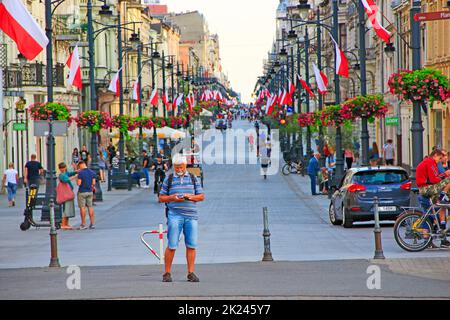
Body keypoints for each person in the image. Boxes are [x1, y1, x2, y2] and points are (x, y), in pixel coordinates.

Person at [159, 154, 205, 283]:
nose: (178, 169)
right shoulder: (168, 179)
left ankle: (191, 273)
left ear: (185, 166)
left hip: (191, 216)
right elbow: (161, 198)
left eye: (181, 167)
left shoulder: (192, 177)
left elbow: (201, 196)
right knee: (172, 245)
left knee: (191, 245)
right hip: (174, 215)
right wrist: (172, 198)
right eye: (176, 167)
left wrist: (189, 197)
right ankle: (167, 273)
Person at [416, 149, 450, 248]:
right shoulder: (430, 162)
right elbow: (434, 179)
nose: (439, 161)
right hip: (427, 188)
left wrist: (443, 176)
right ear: (435, 155)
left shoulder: (427, 162)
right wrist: (445, 176)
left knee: (434, 211)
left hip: (425, 188)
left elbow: (435, 177)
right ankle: (443, 195)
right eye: (439, 158)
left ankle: (436, 237)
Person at [57, 162, 77, 230]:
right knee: (66, 209)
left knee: (68, 209)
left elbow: (70, 173)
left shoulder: (65, 173)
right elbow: (66, 180)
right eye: (61, 168)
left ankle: (66, 223)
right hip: (66, 194)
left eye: (63, 167)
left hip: (68, 193)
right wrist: (75, 176)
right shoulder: (61, 175)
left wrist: (76, 171)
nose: (62, 169)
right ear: (59, 169)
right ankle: (63, 224)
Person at [76, 161, 96, 230]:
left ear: (81, 166)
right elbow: (93, 183)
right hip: (90, 192)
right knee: (90, 207)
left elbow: (79, 183)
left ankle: (83, 224)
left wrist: (77, 178)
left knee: (82, 207)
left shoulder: (80, 173)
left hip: (82, 192)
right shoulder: (92, 172)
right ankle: (92, 223)